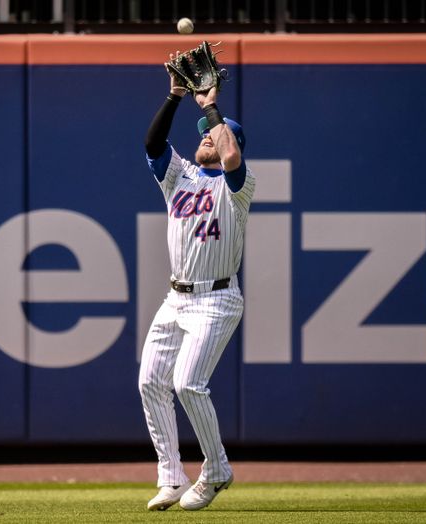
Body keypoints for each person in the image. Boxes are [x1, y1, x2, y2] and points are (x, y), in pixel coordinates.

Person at [138, 54, 256, 511]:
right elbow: (152, 144)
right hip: (176, 297)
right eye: (205, 131)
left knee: (188, 384)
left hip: (218, 299)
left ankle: (217, 468)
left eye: (215, 130)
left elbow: (229, 154)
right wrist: (175, 96)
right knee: (151, 380)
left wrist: (211, 108)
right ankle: (170, 476)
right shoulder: (180, 175)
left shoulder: (238, 185)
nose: (206, 135)